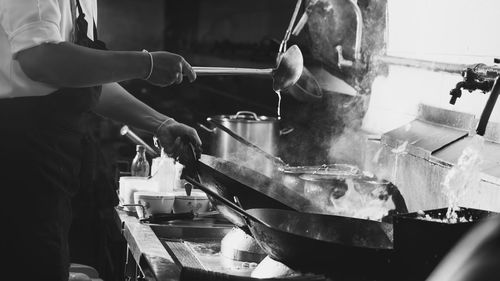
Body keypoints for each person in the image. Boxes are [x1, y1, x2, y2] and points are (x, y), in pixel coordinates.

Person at [0, 0, 202, 280]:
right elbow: (41, 59)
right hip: (18, 160)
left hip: (54, 163)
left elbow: (84, 78)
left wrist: (160, 123)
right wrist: (145, 63)